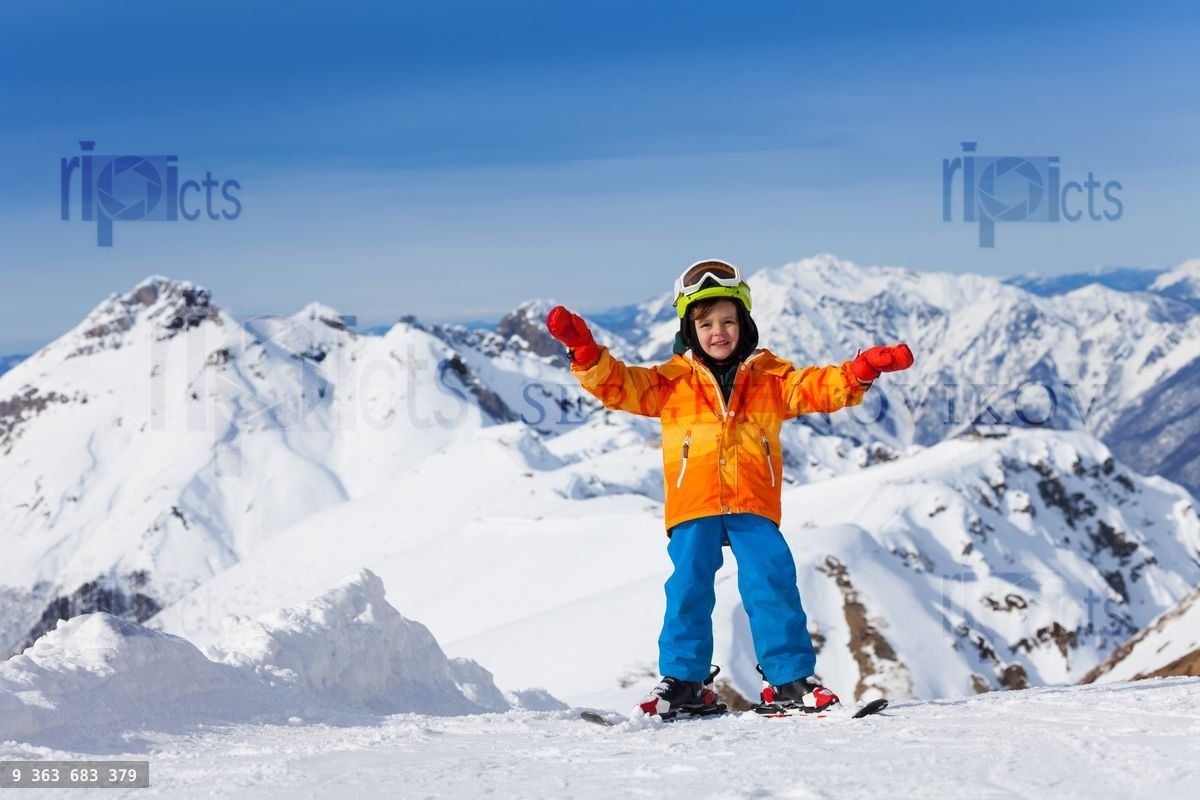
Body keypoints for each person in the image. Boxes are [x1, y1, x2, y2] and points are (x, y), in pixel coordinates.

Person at [546, 259, 913, 718]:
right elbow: (619, 385)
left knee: (771, 581)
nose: (718, 331)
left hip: (752, 499)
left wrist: (859, 370)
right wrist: (584, 352)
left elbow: (818, 387)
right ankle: (685, 683)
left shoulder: (771, 381)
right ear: (689, 329)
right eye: (705, 323)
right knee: (688, 587)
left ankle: (789, 681)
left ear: (745, 324)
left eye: (728, 321)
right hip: (693, 502)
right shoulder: (669, 383)